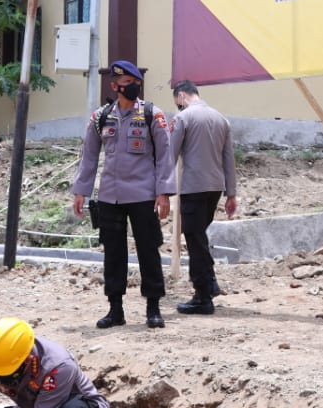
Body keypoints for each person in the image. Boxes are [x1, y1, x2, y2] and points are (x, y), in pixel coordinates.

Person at [71, 60, 174, 330]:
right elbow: (89, 157)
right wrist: (81, 191)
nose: (132, 88)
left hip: (143, 195)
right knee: (113, 254)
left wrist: (163, 193)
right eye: (126, 84)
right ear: (115, 86)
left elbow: (165, 156)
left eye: (135, 83)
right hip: (110, 197)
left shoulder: (153, 114)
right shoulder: (101, 117)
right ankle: (115, 309)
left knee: (148, 251)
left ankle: (153, 308)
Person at [169, 80, 237, 316]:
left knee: (195, 240)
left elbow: (170, 155)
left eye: (176, 100)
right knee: (199, 237)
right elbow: (229, 159)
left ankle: (203, 296)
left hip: (193, 187)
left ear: (181, 96)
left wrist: (161, 189)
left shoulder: (183, 118)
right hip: (215, 188)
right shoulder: (221, 119)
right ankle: (210, 282)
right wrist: (231, 193)